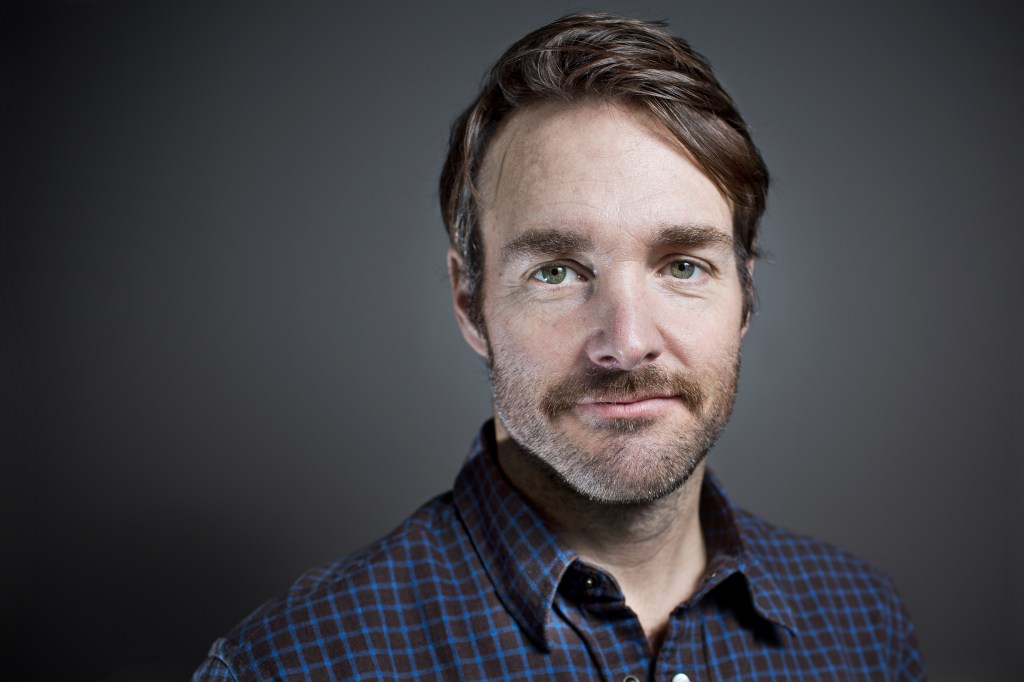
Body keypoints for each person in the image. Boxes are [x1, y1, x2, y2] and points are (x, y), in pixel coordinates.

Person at [193, 13, 924, 681]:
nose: (628, 343)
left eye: (682, 266)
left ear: (746, 296)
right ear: (470, 301)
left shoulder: (865, 626)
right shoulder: (289, 666)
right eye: (556, 271)